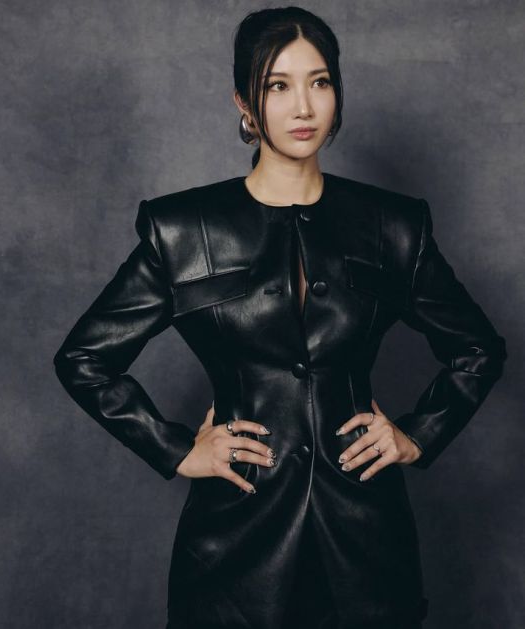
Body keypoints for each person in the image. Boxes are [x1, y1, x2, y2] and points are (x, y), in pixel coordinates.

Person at [53, 7, 507, 629]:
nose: (304, 107)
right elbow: (84, 359)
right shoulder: (182, 229)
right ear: (244, 102)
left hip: (368, 541)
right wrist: (177, 449)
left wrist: (416, 433)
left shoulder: (395, 226)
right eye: (278, 85)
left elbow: (477, 348)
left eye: (320, 82)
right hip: (233, 540)